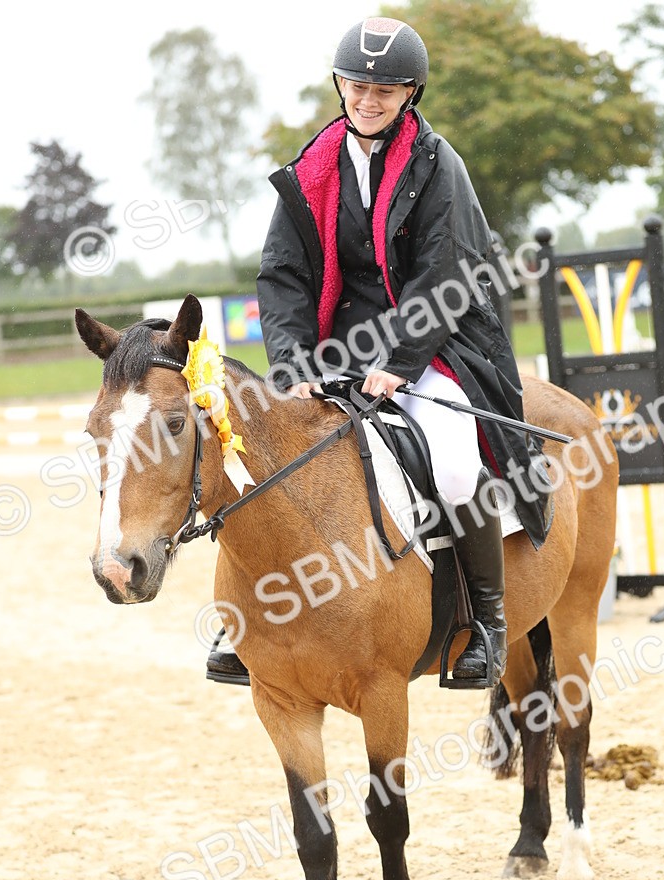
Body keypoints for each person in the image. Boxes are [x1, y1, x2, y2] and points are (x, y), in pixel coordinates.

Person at [208, 16, 549, 688]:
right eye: (358, 84)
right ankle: (246, 619)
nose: (369, 98)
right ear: (340, 84)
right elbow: (282, 276)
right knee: (261, 453)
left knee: (451, 464)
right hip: (331, 354)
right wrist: (294, 365)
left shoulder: (437, 164)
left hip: (435, 344)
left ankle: (486, 622)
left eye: (385, 90)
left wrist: (398, 362)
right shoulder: (310, 170)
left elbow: (447, 271)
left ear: (409, 94)